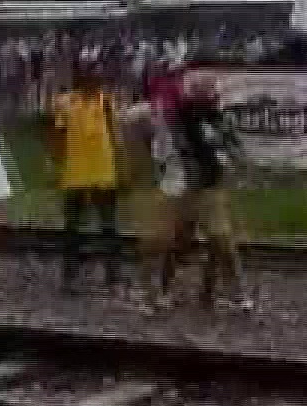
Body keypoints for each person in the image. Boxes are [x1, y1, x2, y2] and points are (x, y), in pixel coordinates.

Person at [143, 66, 247, 308]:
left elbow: (236, 148)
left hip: (210, 188)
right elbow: (170, 149)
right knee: (177, 243)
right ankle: (163, 288)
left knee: (222, 241)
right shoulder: (178, 119)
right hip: (184, 189)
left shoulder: (220, 119)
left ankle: (227, 292)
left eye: (212, 93)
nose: (212, 98)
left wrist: (229, 156)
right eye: (206, 93)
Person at [49, 60, 123, 291]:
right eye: (92, 76)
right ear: (81, 78)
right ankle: (70, 275)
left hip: (103, 170)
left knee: (108, 224)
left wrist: (122, 164)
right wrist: (55, 165)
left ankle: (112, 273)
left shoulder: (106, 102)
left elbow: (114, 134)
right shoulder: (65, 103)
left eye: (99, 77)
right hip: (76, 171)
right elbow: (58, 136)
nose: (97, 82)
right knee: (72, 226)